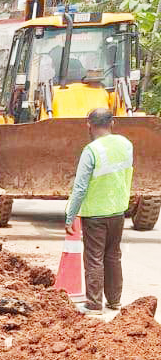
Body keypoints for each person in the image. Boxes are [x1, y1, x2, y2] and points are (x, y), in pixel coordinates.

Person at [65, 106, 133, 318]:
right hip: (117, 211)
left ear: (89, 125)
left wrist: (70, 215)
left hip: (95, 213)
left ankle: (94, 305)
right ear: (112, 122)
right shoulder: (126, 145)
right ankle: (114, 301)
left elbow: (80, 187)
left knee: (94, 258)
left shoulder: (91, 151)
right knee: (113, 256)